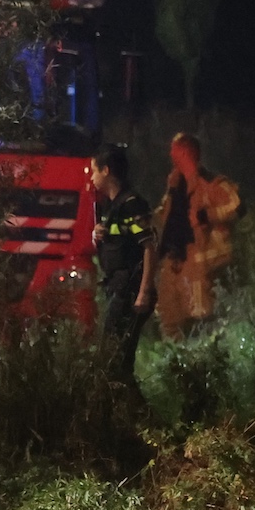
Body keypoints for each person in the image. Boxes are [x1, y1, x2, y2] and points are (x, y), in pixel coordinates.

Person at [151, 133, 241, 339]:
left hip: (203, 264)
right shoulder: (175, 185)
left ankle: (206, 362)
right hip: (176, 264)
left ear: (185, 153)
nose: (171, 154)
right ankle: (176, 366)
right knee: (169, 320)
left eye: (175, 149)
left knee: (203, 321)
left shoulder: (211, 183)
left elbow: (237, 206)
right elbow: (164, 216)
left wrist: (206, 215)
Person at [90, 144, 155, 380]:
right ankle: (129, 413)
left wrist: (143, 293)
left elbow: (149, 247)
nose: (92, 177)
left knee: (115, 361)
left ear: (106, 171)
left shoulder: (131, 204)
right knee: (114, 362)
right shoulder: (113, 207)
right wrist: (97, 234)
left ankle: (137, 414)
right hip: (118, 288)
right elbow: (118, 241)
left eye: (94, 171)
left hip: (130, 290)